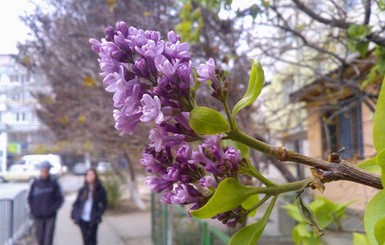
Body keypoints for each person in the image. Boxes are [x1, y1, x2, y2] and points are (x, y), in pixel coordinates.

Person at [27, 160, 64, 245]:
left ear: (48, 171)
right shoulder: (34, 183)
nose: (44, 173)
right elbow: (28, 198)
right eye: (42, 171)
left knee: (48, 239)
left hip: (50, 216)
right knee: (39, 238)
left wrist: (53, 209)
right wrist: (32, 210)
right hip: (37, 215)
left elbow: (60, 198)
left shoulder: (54, 183)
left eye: (46, 171)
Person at [71, 167, 107, 245]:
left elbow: (104, 204)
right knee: (85, 240)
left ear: (95, 176)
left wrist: (98, 215)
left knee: (93, 240)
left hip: (93, 218)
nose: (90, 176)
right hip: (82, 218)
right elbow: (76, 203)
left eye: (92, 174)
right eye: (88, 175)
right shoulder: (82, 189)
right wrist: (74, 213)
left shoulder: (100, 189)